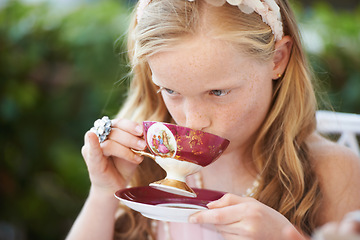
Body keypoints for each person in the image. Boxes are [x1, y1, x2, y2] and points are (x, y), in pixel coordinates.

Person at [66, 0, 360, 239]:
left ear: (277, 59)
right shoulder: (142, 166)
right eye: (171, 90)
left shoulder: (334, 173)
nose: (192, 123)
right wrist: (104, 193)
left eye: (218, 92)